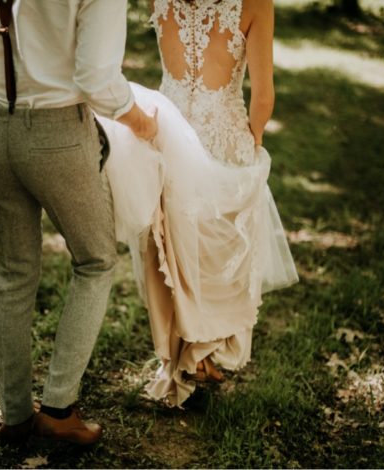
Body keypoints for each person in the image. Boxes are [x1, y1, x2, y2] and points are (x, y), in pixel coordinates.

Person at [0, 0, 158, 447]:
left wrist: (1, 87)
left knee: (13, 275)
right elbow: (97, 78)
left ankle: (15, 416)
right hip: (58, 135)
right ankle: (59, 409)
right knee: (96, 260)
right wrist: (141, 122)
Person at [99, 0, 299, 407]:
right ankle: (202, 352)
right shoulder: (255, 4)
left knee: (171, 249)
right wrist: (254, 142)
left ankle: (178, 359)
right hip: (223, 138)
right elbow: (263, 97)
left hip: (167, 135)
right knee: (218, 252)